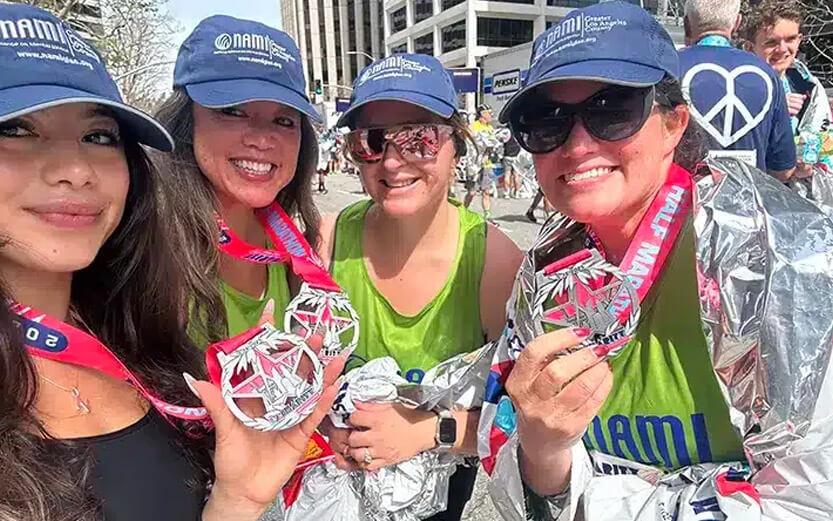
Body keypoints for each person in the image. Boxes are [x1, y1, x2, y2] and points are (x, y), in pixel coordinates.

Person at [478, 2, 833, 519]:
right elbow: (515, 472)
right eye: (545, 121)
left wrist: (596, 500)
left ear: (675, 124)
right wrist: (545, 450)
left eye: (612, 110)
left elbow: (809, 502)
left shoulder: (787, 262)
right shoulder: (546, 270)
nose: (577, 145)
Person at [0, 4, 343, 521]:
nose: (75, 169)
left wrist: (239, 497)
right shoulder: (153, 281)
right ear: (183, 122)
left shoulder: (123, 315)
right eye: (18, 131)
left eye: (97, 137)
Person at [319, 53, 523, 520]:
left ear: (456, 145)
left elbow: (525, 422)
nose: (392, 161)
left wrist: (430, 431)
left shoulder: (493, 262)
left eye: (420, 139)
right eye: (370, 141)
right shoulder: (327, 244)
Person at [155, 15, 322, 340]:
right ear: (185, 120)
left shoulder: (296, 247)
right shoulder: (147, 253)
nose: (261, 139)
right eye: (233, 111)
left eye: (284, 120)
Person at [680, 0, 796, 179]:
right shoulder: (766, 75)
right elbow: (783, 169)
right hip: (747, 201)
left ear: (687, 24)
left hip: (681, 199)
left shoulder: (669, 66)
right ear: (737, 23)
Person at [744, 0, 833, 172]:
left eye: (790, 39)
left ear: (799, 40)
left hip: (800, 192)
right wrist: (775, 108)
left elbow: (824, 140)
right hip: (754, 186)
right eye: (771, 42)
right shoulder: (737, 85)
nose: (782, 49)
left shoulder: (808, 85)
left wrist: (808, 161)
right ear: (750, 47)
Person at [464, 104, 501, 223]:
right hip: (475, 165)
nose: (491, 115)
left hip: (487, 164)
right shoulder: (472, 126)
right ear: (482, 114)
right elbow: (469, 145)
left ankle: (487, 215)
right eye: (489, 112)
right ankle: (463, 211)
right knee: (472, 192)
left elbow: (494, 143)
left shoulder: (490, 128)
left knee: (486, 191)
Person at [502, 130, 522, 198]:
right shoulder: (519, 132)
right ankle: (517, 192)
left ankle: (506, 192)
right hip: (517, 156)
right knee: (516, 175)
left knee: (507, 174)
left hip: (508, 155)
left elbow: (501, 141)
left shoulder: (506, 132)